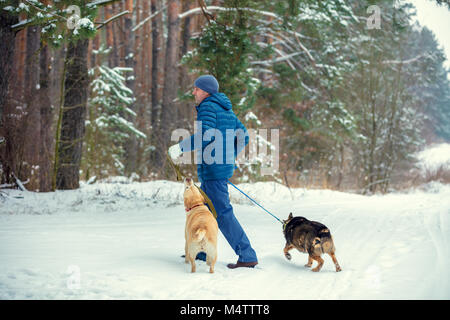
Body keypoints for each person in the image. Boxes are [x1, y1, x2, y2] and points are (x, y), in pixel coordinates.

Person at [168, 75, 258, 269]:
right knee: (207, 211)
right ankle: (201, 252)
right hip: (218, 167)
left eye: (196, 89)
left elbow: (205, 136)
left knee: (222, 214)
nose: (193, 92)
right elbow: (243, 135)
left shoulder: (208, 106)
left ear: (206, 91)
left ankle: (247, 255)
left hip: (214, 169)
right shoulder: (225, 108)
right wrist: (229, 155)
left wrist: (181, 147)